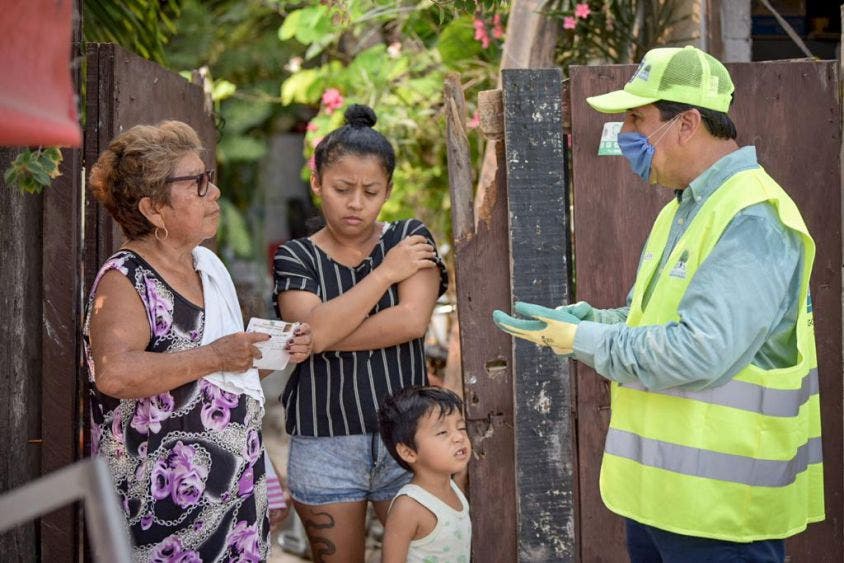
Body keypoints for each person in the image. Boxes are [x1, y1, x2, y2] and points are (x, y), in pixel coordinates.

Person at [493, 46, 823, 562]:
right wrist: (594, 321)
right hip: (663, 503)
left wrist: (585, 339)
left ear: (687, 123)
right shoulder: (683, 208)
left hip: (721, 513)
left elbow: (700, 351)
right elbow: (651, 320)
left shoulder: (752, 217)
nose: (625, 133)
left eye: (636, 118)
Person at [84, 120, 312, 560]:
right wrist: (215, 355)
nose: (215, 192)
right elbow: (116, 374)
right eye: (198, 183)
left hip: (234, 500)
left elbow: (222, 380)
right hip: (164, 513)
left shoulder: (205, 266)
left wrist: (277, 352)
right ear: (154, 209)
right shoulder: (125, 279)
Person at [273, 104, 448, 561]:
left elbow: (411, 321)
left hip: (409, 441)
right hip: (324, 442)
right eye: (342, 188)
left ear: (388, 190)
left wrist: (319, 337)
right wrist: (386, 273)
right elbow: (310, 327)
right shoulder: (296, 257)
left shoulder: (410, 238)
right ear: (317, 183)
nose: (356, 203)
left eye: (370, 191)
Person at [377, 386, 471, 563]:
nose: (459, 437)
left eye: (461, 427)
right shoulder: (408, 507)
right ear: (408, 452)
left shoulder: (453, 488)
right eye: (442, 432)